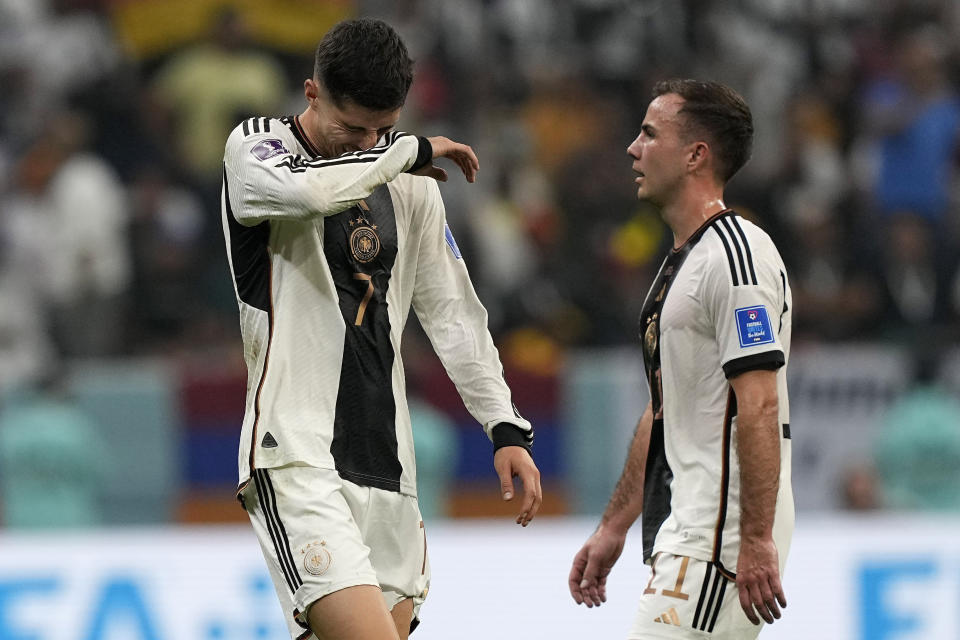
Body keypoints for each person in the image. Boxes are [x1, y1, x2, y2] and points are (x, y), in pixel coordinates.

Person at [220, 18, 541, 640]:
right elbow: (309, 195)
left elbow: (451, 312)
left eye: (382, 128)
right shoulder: (256, 148)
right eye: (351, 127)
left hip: (390, 469)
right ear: (311, 93)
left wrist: (504, 424)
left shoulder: (409, 182)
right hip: (296, 456)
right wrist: (405, 151)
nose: (366, 142)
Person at [568, 79, 794, 639]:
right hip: (689, 523)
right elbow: (665, 408)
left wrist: (757, 538)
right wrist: (614, 525)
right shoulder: (685, 262)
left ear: (696, 155)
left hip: (723, 530)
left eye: (649, 133)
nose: (632, 148)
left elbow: (759, 404)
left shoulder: (736, 256)